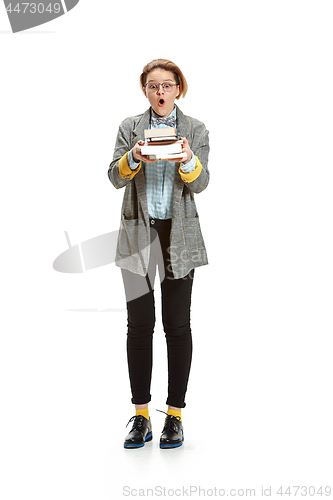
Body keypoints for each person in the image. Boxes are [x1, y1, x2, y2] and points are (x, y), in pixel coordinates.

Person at [108, 59, 210, 449]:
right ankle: (141, 415)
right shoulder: (130, 128)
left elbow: (201, 182)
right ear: (145, 90)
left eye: (167, 85)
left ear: (178, 89)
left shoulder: (195, 130)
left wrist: (186, 158)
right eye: (153, 86)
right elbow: (113, 177)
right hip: (137, 236)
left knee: (177, 326)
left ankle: (175, 417)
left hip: (179, 237)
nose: (160, 92)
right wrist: (133, 156)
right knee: (139, 325)